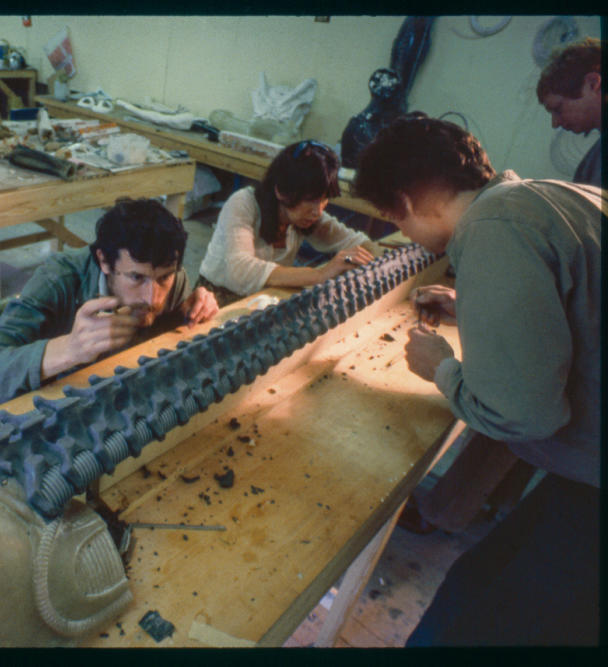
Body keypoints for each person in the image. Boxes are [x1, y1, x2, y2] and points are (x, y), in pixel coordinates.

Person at [353, 113, 602, 645]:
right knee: (478, 581)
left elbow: (524, 413)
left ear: (409, 200)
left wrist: (441, 368)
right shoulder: (542, 197)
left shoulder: (492, 230)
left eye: (396, 220)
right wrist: (475, 305)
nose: (404, 234)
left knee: (474, 626)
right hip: (587, 476)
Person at [0, 198, 218, 404]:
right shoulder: (58, 279)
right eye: (136, 277)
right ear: (104, 261)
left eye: (164, 278)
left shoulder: (173, 277)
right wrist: (69, 350)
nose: (152, 298)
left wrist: (190, 312)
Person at [196, 140, 381, 307]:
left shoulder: (307, 216)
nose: (318, 211)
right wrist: (319, 274)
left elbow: (355, 241)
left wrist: (373, 260)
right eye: (311, 200)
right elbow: (240, 270)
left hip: (261, 299)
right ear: (282, 191)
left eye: (324, 200)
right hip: (212, 303)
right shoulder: (243, 202)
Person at [537, 37, 603, 187]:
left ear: (592, 84)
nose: (555, 124)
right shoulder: (589, 165)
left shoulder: (592, 165)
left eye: (558, 109)